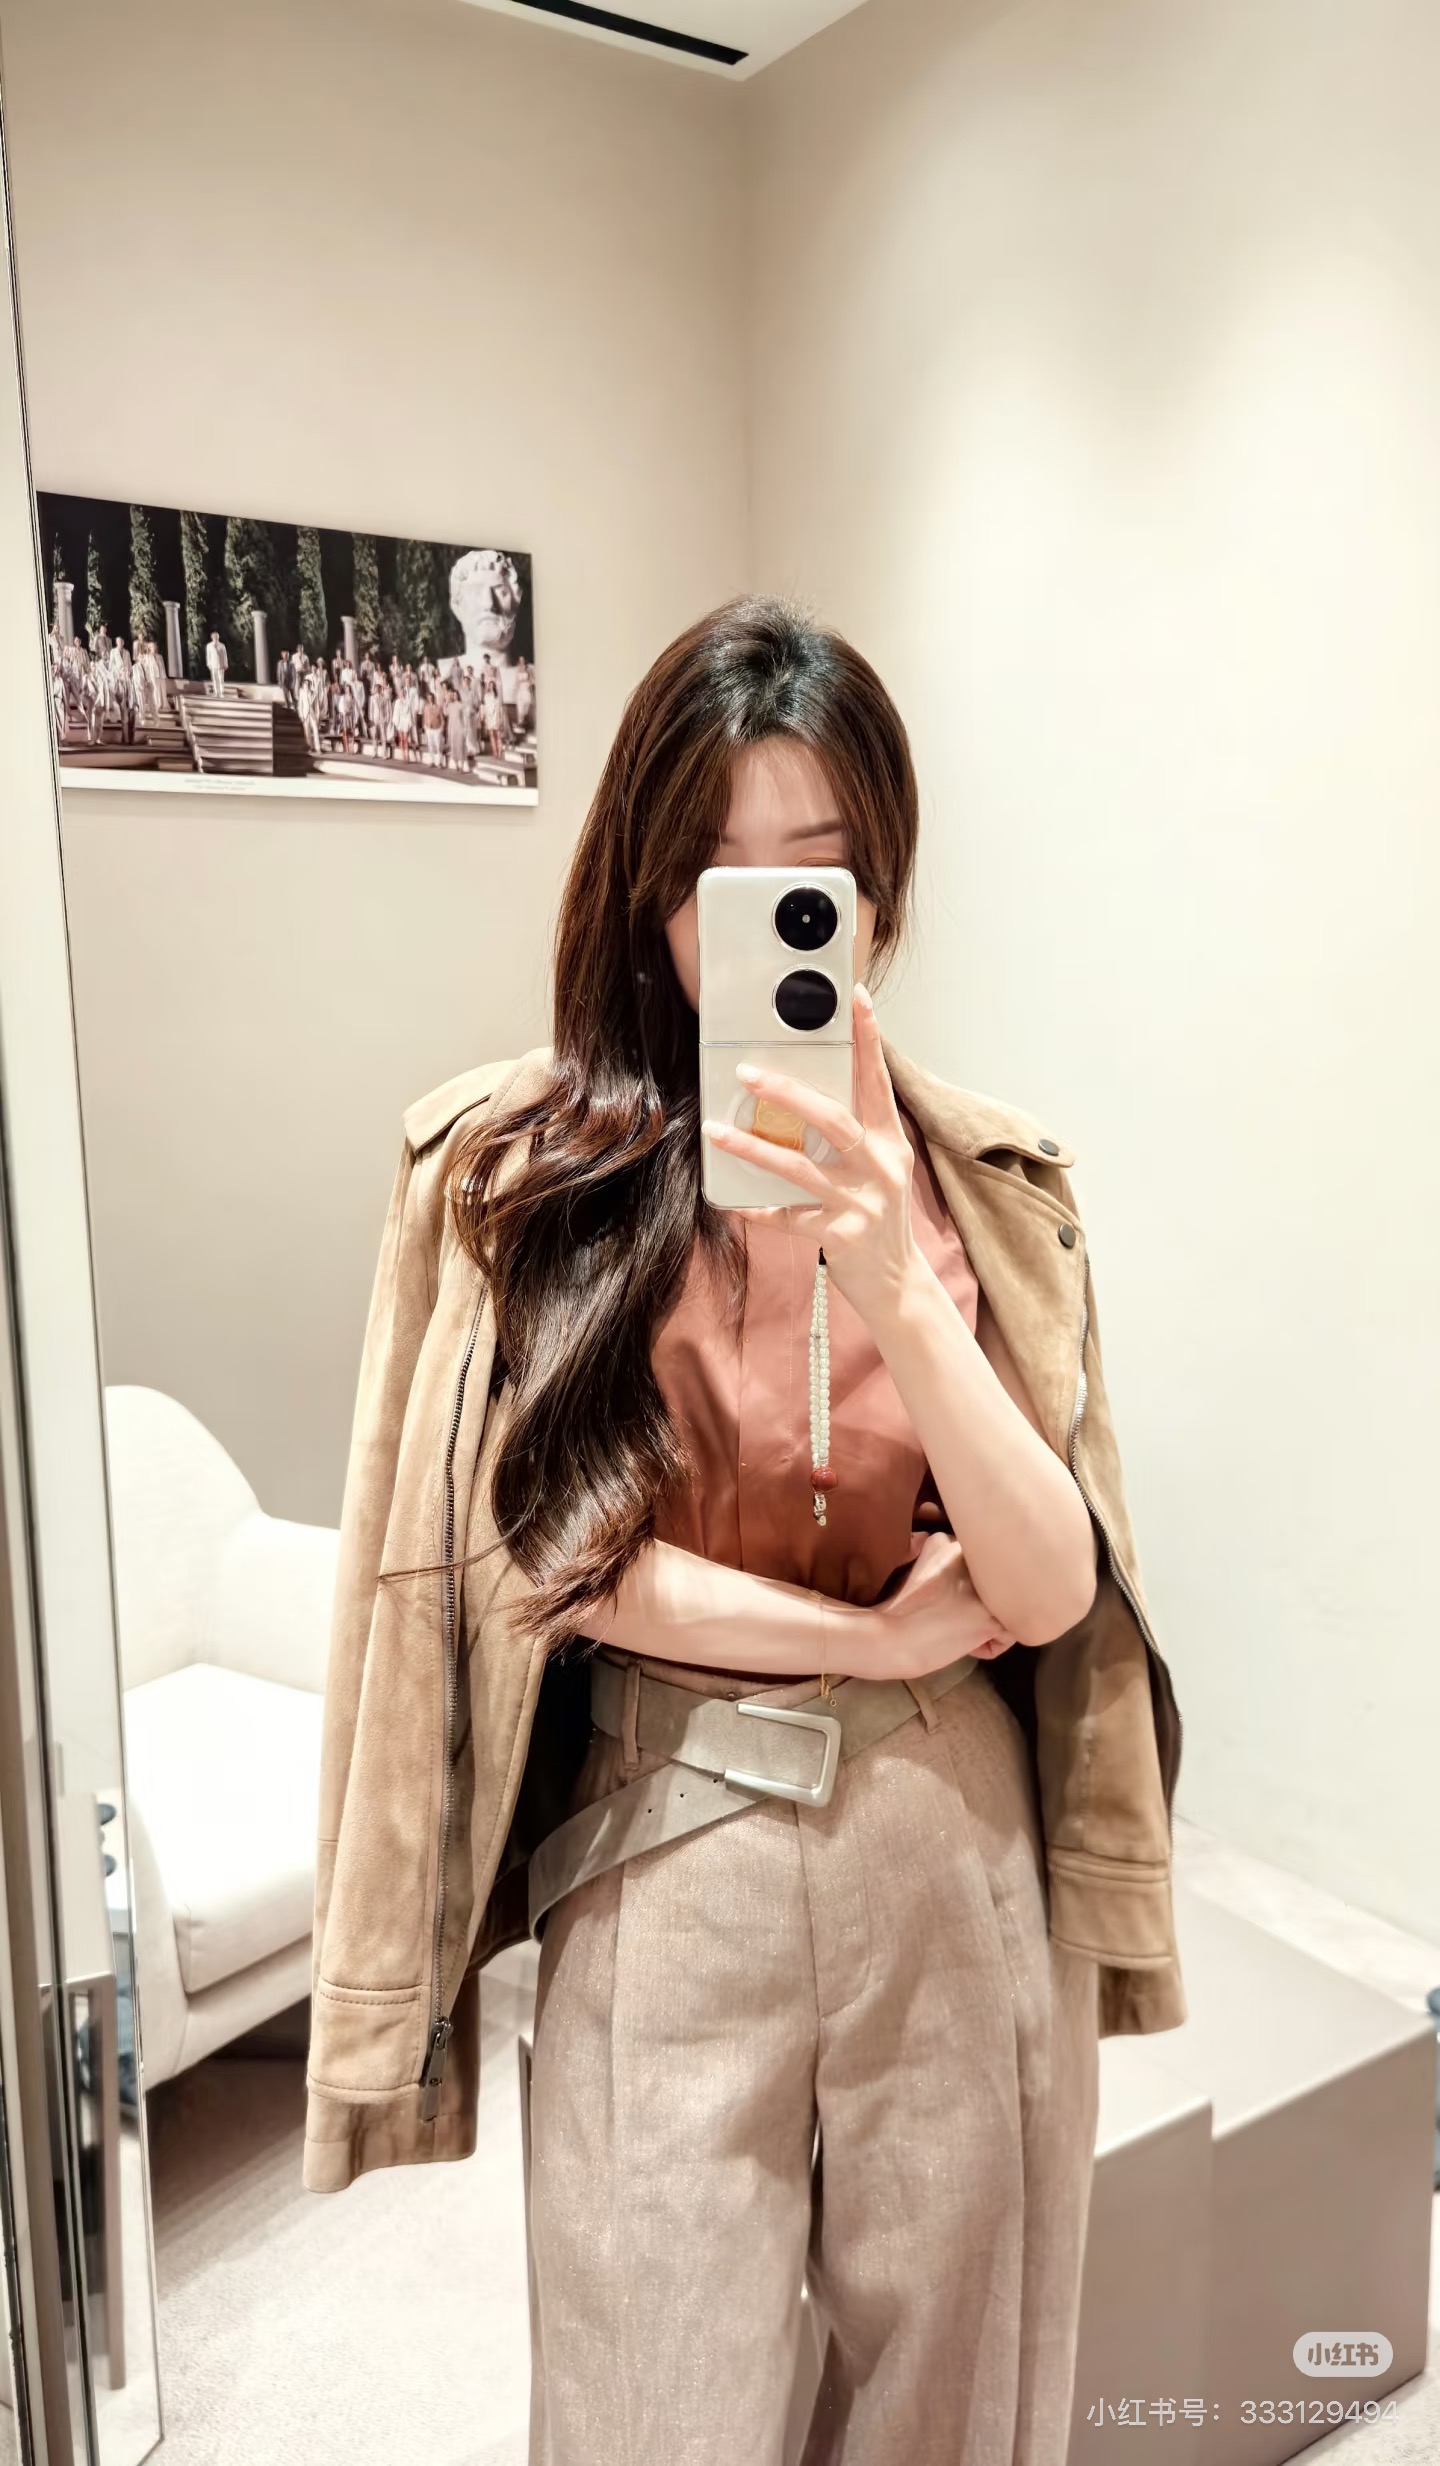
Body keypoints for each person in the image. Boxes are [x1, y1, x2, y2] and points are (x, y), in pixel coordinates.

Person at [303, 598, 1186, 2466]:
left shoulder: (985, 1185)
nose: (771, 916)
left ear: (881, 897)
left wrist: (898, 1284)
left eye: (821, 870)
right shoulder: (530, 1171)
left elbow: (1046, 1586)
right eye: (721, 871)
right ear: (648, 892)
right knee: (649, 2400)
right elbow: (556, 1556)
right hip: (669, 1836)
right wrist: (864, 1635)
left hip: (949, 1844)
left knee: (958, 2404)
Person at [205, 630, 228, 697]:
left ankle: (221, 692)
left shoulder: (222, 645)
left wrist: (225, 664)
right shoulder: (209, 645)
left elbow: (224, 655)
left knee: (221, 679)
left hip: (221, 664)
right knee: (215, 679)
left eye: (217, 637)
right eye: (214, 637)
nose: (215, 638)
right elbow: (208, 655)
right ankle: (216, 692)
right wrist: (208, 664)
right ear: (212, 637)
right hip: (213, 664)